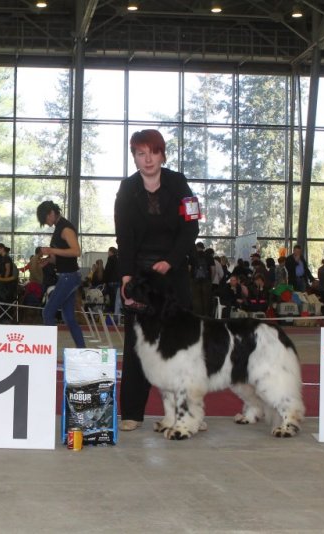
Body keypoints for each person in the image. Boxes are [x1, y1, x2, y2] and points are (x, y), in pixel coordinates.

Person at [115, 129, 199, 432]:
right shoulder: (126, 188)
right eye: (140, 153)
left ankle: (189, 412)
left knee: (182, 346)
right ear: (134, 157)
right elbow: (123, 236)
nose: (147, 158)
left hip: (174, 273)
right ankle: (132, 413)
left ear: (163, 154)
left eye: (153, 151)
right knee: (137, 345)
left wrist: (172, 261)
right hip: (139, 276)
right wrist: (126, 278)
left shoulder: (180, 183)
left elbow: (192, 229)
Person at [36, 200, 86, 348]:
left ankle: (47, 351)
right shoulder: (59, 228)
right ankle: (82, 350)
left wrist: (51, 251)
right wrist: (49, 260)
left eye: (45, 218)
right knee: (69, 317)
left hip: (68, 277)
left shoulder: (65, 228)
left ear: (52, 213)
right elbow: (62, 256)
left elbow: (76, 251)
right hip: (67, 275)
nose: (45, 222)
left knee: (48, 313)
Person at [190, 241, 213, 316]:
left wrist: (190, 277)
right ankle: (207, 317)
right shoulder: (209, 256)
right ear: (203, 248)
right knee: (206, 299)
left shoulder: (192, 256)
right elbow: (213, 269)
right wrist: (210, 279)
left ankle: (198, 317)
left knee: (196, 299)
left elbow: (189, 268)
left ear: (196, 247)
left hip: (195, 280)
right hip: (207, 280)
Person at [103, 246, 121, 314]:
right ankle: (118, 313)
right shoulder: (119, 259)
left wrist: (104, 281)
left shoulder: (110, 259)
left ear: (111, 252)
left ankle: (113, 312)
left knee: (112, 298)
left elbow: (108, 271)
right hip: (118, 281)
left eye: (108, 251)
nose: (108, 253)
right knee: (118, 299)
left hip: (111, 281)